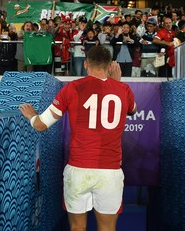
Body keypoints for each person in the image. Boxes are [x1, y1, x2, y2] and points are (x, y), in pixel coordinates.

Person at [19, 45, 137, 231]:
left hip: (78, 170)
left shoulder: (72, 88)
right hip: (110, 172)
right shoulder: (123, 89)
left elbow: (40, 125)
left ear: (86, 64)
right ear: (109, 66)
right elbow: (133, 110)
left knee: (77, 228)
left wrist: (32, 115)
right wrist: (117, 82)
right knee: (107, 228)